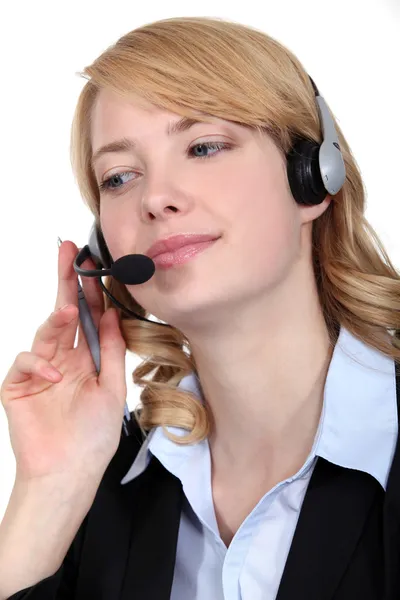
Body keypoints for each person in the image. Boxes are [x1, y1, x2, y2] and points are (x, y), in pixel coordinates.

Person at [1, 15, 400, 600]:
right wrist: (50, 488)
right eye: (119, 177)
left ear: (312, 175)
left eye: (204, 146)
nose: (156, 197)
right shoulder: (97, 494)